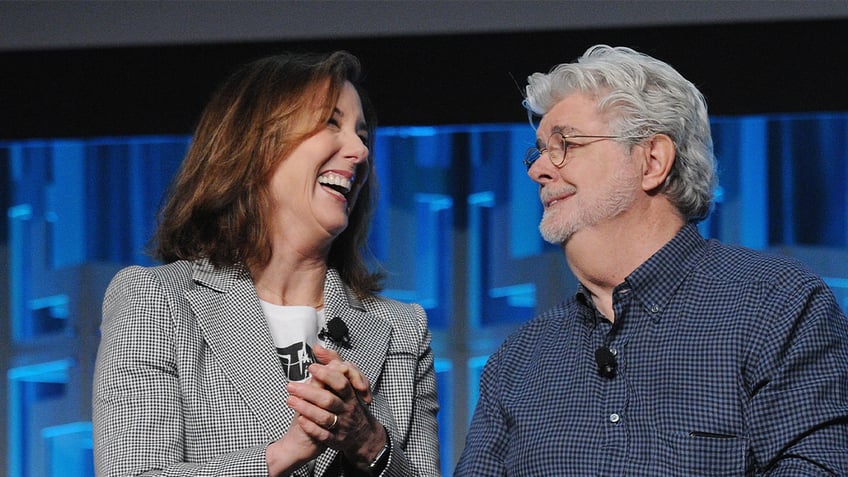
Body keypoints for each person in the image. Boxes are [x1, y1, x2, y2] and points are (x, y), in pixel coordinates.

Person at [455, 44, 848, 475]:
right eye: (539, 151)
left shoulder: (775, 306)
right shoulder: (518, 361)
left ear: (653, 160)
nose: (537, 170)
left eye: (565, 144)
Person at [93, 51, 441, 477]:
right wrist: (281, 454)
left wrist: (369, 442)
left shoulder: (402, 330)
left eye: (362, 135)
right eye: (332, 123)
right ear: (256, 145)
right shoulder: (159, 301)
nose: (359, 150)